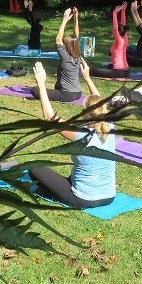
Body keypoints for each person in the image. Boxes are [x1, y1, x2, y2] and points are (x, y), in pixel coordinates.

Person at [27, 60, 116, 208]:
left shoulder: (80, 135)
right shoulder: (110, 127)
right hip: (109, 197)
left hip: (82, 198)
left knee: (33, 167)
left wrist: (42, 85)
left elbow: (50, 116)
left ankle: (47, 191)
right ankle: (46, 190)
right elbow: (100, 104)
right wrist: (87, 78)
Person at [33, 8, 83, 103]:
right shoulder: (77, 55)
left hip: (67, 94)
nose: (63, 44)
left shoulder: (66, 57)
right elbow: (76, 37)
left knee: (35, 90)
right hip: (78, 92)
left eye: (65, 43)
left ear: (67, 46)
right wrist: (76, 19)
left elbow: (58, 40)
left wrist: (65, 19)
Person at [88, 3, 129, 79]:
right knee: (109, 66)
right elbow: (123, 25)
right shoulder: (125, 37)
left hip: (118, 72)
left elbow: (115, 29)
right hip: (126, 71)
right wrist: (123, 11)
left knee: (91, 71)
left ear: (118, 32)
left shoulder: (119, 40)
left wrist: (114, 14)